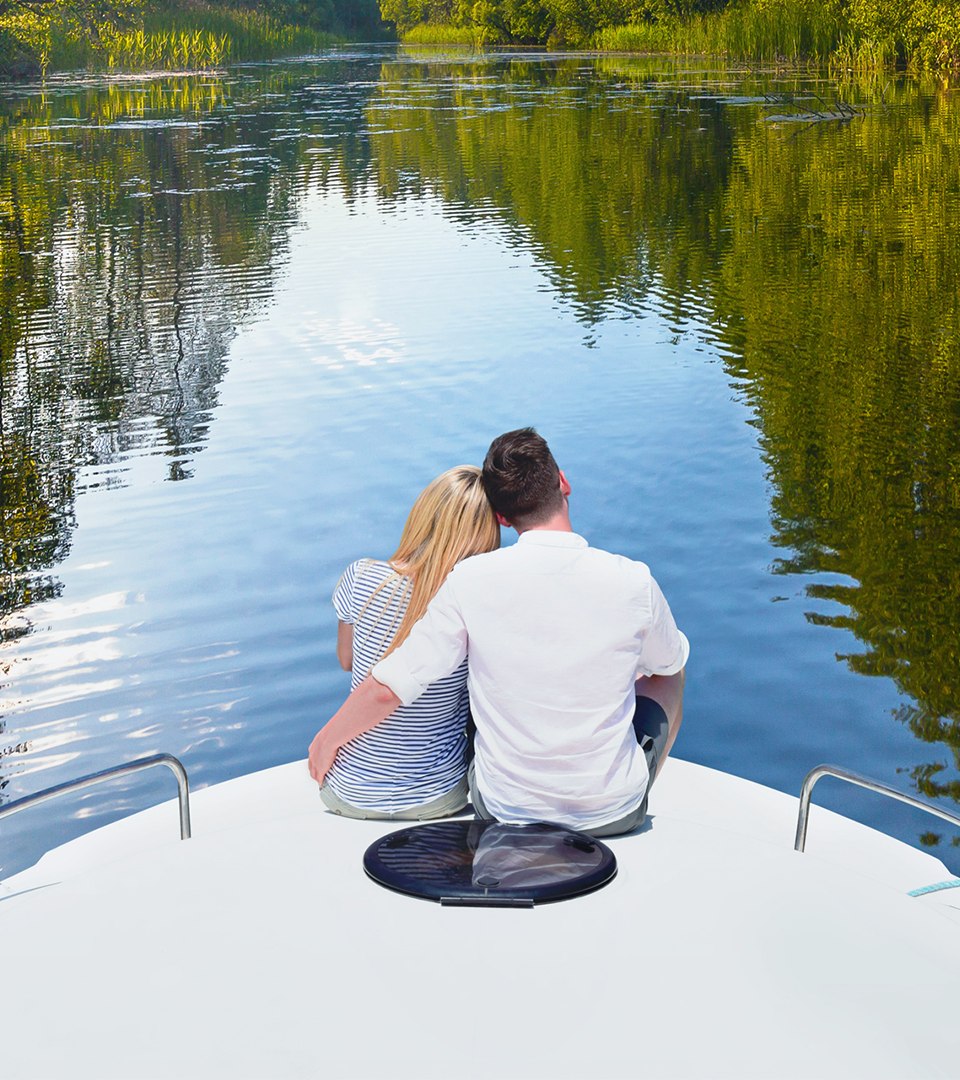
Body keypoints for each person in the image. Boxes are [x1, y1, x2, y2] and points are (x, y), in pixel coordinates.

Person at [309, 428, 688, 837]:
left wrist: (325, 741)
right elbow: (669, 662)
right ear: (563, 482)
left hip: (503, 808)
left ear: (503, 519)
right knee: (669, 672)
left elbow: (393, 683)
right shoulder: (634, 581)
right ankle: (620, 788)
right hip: (611, 815)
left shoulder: (469, 580)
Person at [317, 464, 499, 820]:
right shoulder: (477, 605)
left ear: (422, 515)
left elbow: (347, 660)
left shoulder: (361, 577)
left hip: (347, 791)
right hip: (437, 796)